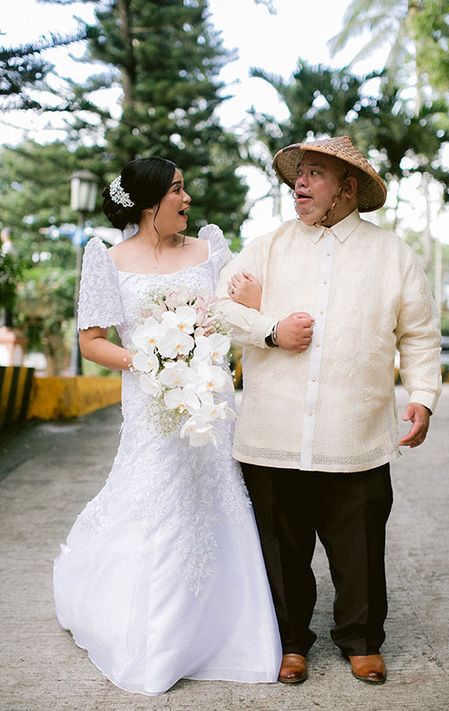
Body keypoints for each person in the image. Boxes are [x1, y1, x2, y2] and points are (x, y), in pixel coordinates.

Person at [216, 136, 441, 686]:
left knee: (360, 544)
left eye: (315, 174)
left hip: (355, 430)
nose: (300, 183)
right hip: (274, 428)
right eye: (299, 174)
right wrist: (269, 330)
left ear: (348, 188)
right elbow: (217, 308)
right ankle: (291, 641)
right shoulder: (265, 247)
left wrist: (422, 396)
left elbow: (419, 333)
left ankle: (361, 640)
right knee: (282, 547)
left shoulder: (392, 254)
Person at [53, 156, 282, 695]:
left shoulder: (209, 248)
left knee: (215, 494)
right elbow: (92, 342)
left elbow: (234, 312)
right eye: (177, 190)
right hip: (151, 408)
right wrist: (147, 360)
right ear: (150, 202)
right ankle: (158, 636)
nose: (187, 199)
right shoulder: (106, 260)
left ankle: (230, 628)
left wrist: (248, 304)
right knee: (158, 498)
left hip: (211, 403)